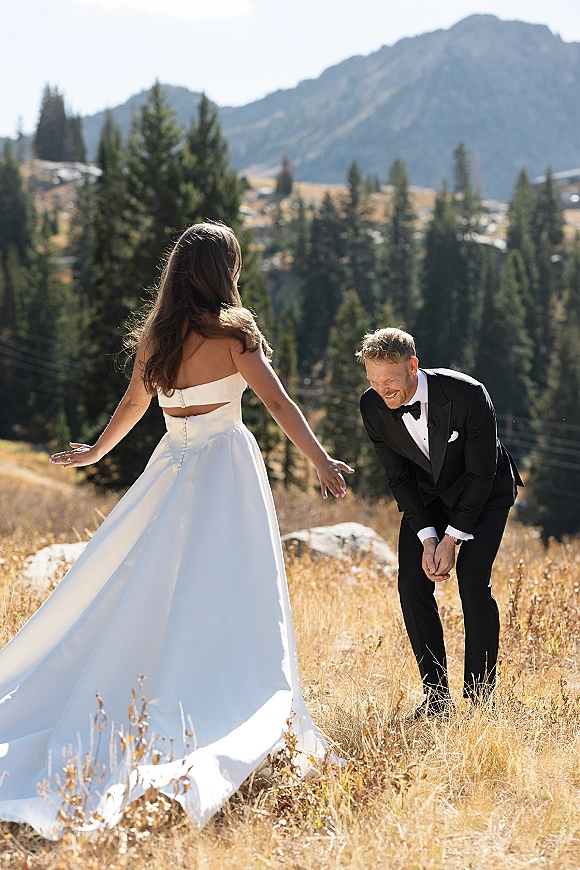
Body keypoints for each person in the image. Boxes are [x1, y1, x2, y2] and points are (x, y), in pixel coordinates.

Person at [0, 222, 354, 839]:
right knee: (235, 589)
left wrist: (94, 453)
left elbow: (135, 407)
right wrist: (321, 460)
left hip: (170, 464)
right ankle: (232, 696)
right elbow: (276, 403)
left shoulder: (158, 338)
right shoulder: (236, 333)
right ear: (225, 270)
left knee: (148, 586)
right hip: (226, 470)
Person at [358, 328, 522, 717]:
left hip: (485, 494)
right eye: (374, 381)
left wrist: (453, 539)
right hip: (428, 499)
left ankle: (480, 698)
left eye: (391, 380)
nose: (384, 391)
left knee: (471, 577)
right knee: (412, 582)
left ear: (413, 366)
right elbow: (398, 478)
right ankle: (436, 699)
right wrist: (429, 537)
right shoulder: (372, 406)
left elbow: (482, 476)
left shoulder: (467, 394)